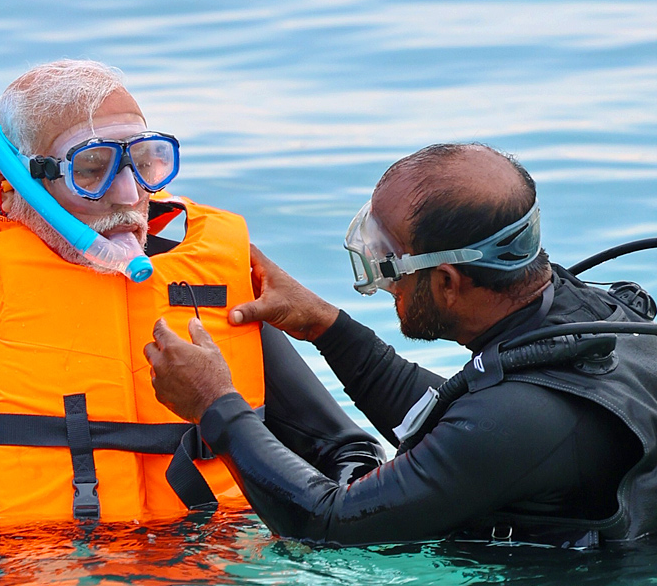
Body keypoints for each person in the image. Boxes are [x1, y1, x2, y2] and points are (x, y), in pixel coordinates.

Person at [0, 61, 382, 525]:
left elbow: (348, 454)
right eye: (91, 169)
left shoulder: (206, 288)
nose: (129, 195)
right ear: (9, 186)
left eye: (147, 161)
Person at [146, 142, 657, 547]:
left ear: (448, 283)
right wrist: (327, 327)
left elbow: (327, 526)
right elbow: (462, 422)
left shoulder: (518, 419)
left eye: (387, 262)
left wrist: (215, 407)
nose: (381, 281)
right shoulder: (591, 314)